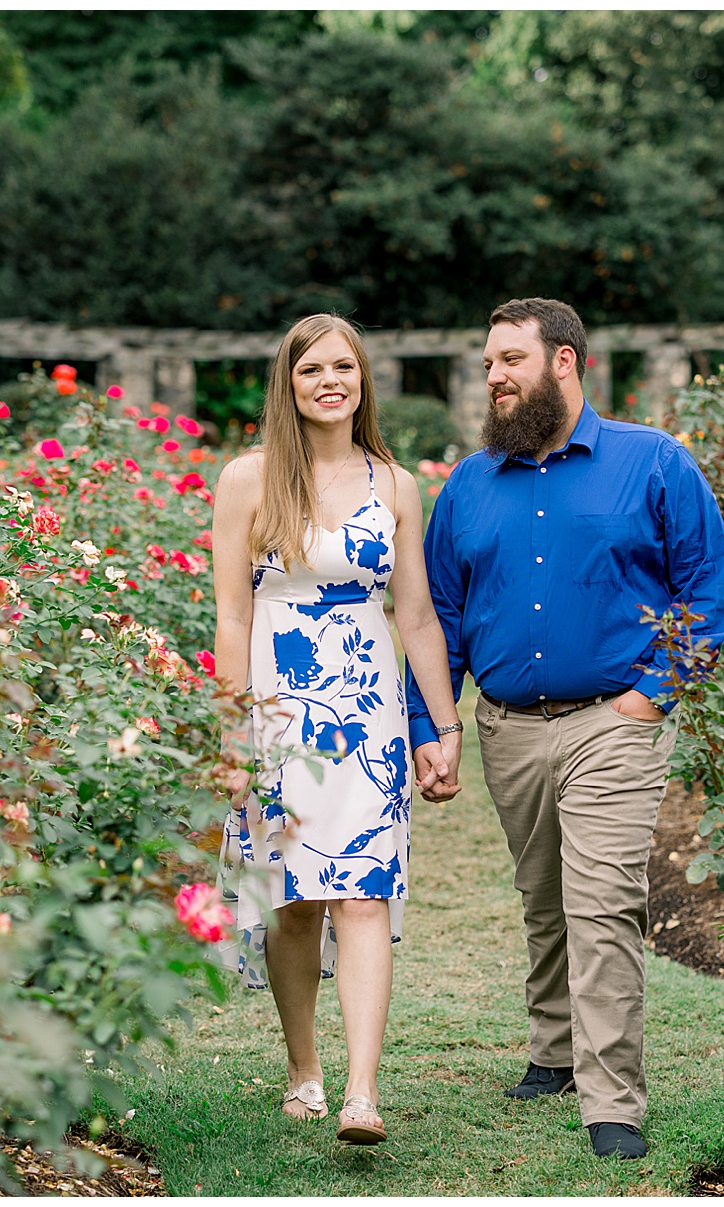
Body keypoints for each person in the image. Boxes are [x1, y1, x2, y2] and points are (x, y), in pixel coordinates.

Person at [407, 298, 724, 1160]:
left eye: (509, 359)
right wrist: (433, 726)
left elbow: (708, 593)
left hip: (613, 722)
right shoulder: (470, 484)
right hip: (508, 728)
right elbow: (440, 615)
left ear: (565, 362)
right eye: (486, 364)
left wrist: (649, 696)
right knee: (545, 897)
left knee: (600, 905)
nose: (494, 377)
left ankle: (611, 1101)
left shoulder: (654, 462)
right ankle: (553, 1051)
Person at [211, 313, 463, 1146]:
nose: (331, 380)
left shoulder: (395, 484)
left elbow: (418, 614)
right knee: (293, 902)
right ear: (288, 382)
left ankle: (361, 1092)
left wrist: (441, 724)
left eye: (345, 367)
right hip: (279, 711)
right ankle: (303, 1070)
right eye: (313, 367)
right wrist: (231, 732)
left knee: (364, 891)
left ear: (363, 381)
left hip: (368, 712)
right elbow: (232, 615)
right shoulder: (248, 479)